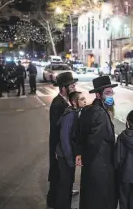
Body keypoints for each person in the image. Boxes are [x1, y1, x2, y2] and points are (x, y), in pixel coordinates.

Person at [76, 75, 118, 209]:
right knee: (100, 199)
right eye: (107, 93)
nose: (110, 95)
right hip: (100, 164)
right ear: (99, 95)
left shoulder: (91, 109)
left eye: (111, 92)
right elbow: (93, 142)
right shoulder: (99, 113)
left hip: (94, 164)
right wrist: (86, 159)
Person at [47, 72, 78, 209]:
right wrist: (57, 150)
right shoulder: (57, 104)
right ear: (64, 88)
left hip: (63, 147)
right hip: (60, 148)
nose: (74, 87)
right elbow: (57, 130)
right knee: (60, 178)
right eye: (71, 85)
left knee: (61, 178)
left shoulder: (65, 101)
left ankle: (54, 201)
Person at [55, 91, 87, 209]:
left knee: (68, 184)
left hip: (68, 155)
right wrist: (69, 160)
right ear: (74, 102)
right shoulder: (70, 116)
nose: (85, 101)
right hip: (65, 156)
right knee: (65, 185)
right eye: (82, 99)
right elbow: (65, 139)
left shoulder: (75, 113)